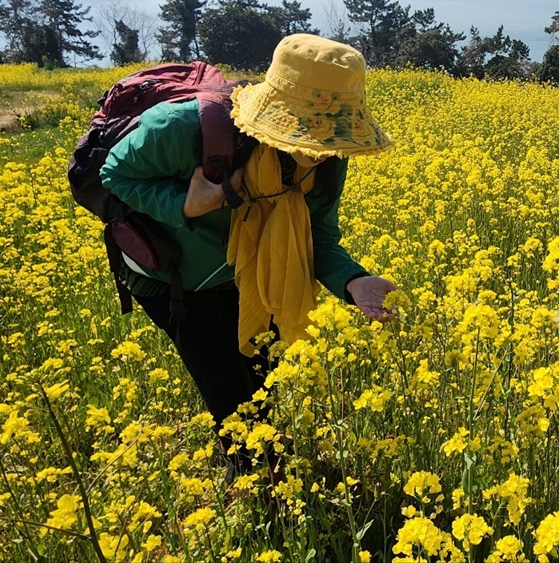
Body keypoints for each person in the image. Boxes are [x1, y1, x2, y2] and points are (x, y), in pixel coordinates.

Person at [98, 33, 397, 478]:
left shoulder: (330, 154)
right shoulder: (185, 128)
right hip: (177, 279)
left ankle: (266, 444)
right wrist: (185, 205)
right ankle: (256, 482)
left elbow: (318, 235)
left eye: (328, 143)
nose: (317, 153)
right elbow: (115, 174)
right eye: (305, 137)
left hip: (255, 274)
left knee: (261, 368)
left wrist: (352, 281)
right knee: (225, 384)